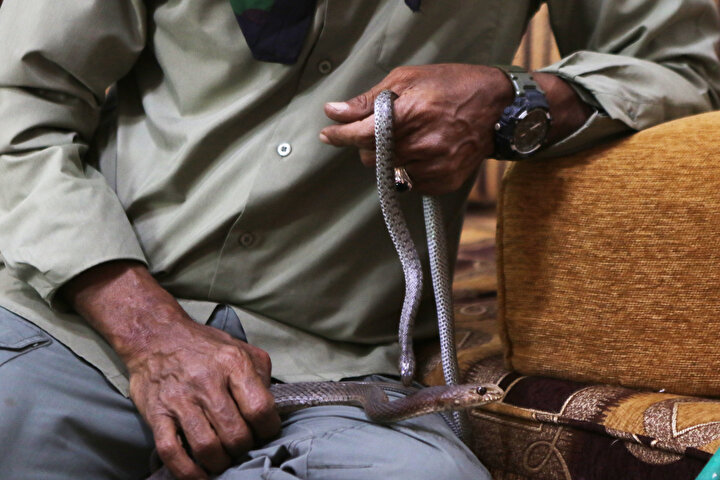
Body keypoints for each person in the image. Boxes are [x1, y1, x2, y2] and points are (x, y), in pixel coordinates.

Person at [0, 1, 718, 479]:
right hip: (70, 317)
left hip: (335, 364)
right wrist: (149, 332)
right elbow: (19, 99)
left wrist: (513, 101)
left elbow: (686, 65)